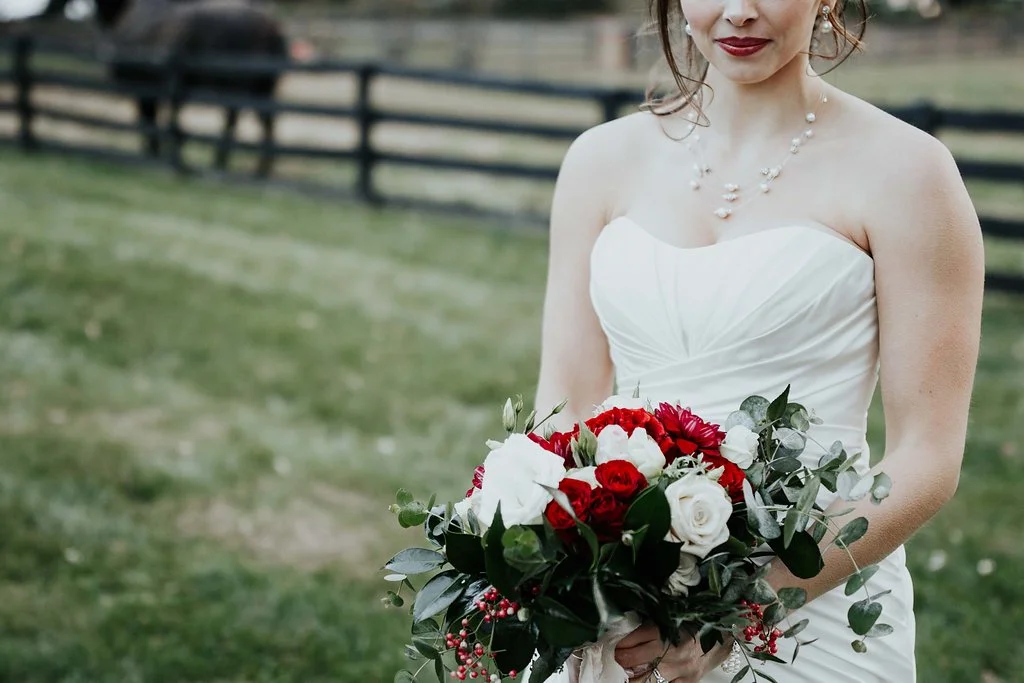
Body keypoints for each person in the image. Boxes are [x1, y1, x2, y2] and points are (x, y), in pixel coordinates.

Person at [530, 0, 985, 681]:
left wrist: (742, 611)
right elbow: (562, 409)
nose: (739, 11)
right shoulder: (600, 161)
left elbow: (927, 457)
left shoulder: (909, 173)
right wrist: (560, 573)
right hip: (622, 613)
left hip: (817, 608)